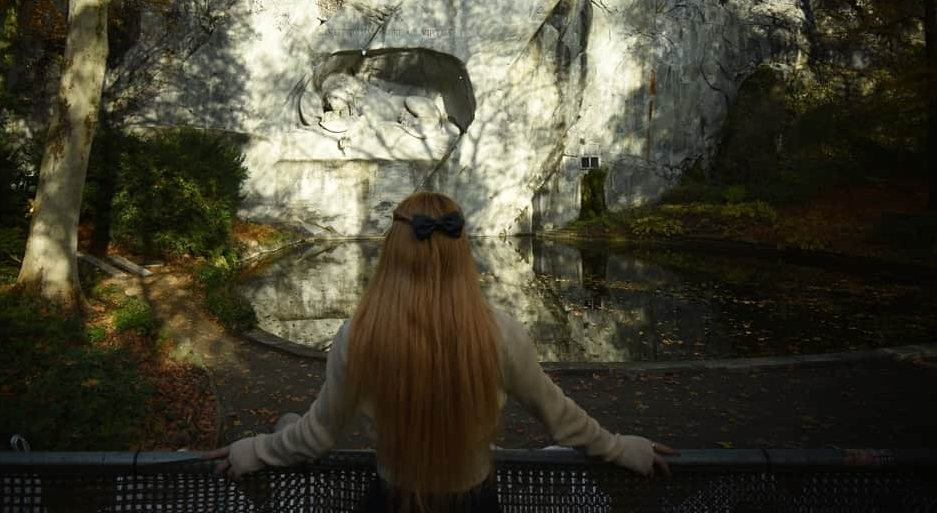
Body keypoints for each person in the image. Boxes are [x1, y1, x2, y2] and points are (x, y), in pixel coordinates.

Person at [209, 192, 676, 511]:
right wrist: (619, 448)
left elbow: (315, 436)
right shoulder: (501, 334)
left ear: (391, 253)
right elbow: (561, 418)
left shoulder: (359, 335)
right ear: (462, 252)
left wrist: (257, 450)